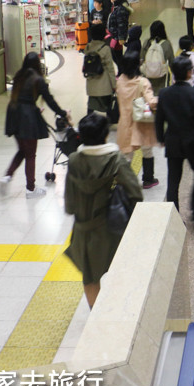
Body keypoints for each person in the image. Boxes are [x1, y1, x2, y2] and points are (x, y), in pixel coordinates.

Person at [64, 111, 144, 308]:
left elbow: (69, 204)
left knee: (90, 278)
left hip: (84, 230)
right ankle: (120, 312)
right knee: (119, 271)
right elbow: (136, 194)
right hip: (111, 228)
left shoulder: (74, 160)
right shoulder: (115, 159)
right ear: (106, 135)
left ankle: (97, 318)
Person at [1, 52, 69, 199]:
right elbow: (49, 100)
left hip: (13, 113)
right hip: (27, 117)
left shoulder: (19, 76)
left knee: (23, 150)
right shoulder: (38, 80)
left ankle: (7, 176)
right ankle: (30, 189)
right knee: (30, 154)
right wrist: (63, 113)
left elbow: (21, 97)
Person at [155, 56, 194, 210]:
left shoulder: (164, 93)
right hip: (193, 142)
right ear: (189, 73)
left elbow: (159, 119)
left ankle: (173, 215)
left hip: (173, 141)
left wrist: (161, 138)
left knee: (173, 181)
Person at [115, 52, 159, 188]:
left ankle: (125, 183)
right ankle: (148, 179)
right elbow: (151, 102)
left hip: (125, 123)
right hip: (141, 122)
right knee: (147, 151)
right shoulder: (142, 82)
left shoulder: (120, 81)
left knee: (127, 155)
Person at [83, 21, 116, 114]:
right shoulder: (105, 48)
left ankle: (88, 121)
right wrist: (114, 85)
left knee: (91, 105)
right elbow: (110, 69)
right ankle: (109, 121)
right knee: (108, 105)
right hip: (104, 84)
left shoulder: (88, 47)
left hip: (91, 82)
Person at [141, 20, 174, 94]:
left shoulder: (146, 43)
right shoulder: (166, 44)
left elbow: (141, 59)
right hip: (162, 77)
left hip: (148, 76)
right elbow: (172, 62)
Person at [106, 0, 131, 74]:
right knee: (115, 55)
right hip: (113, 36)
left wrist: (121, 38)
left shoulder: (121, 9)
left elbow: (121, 25)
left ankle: (122, 72)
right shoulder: (114, 7)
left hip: (117, 37)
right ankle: (122, 71)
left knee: (117, 56)